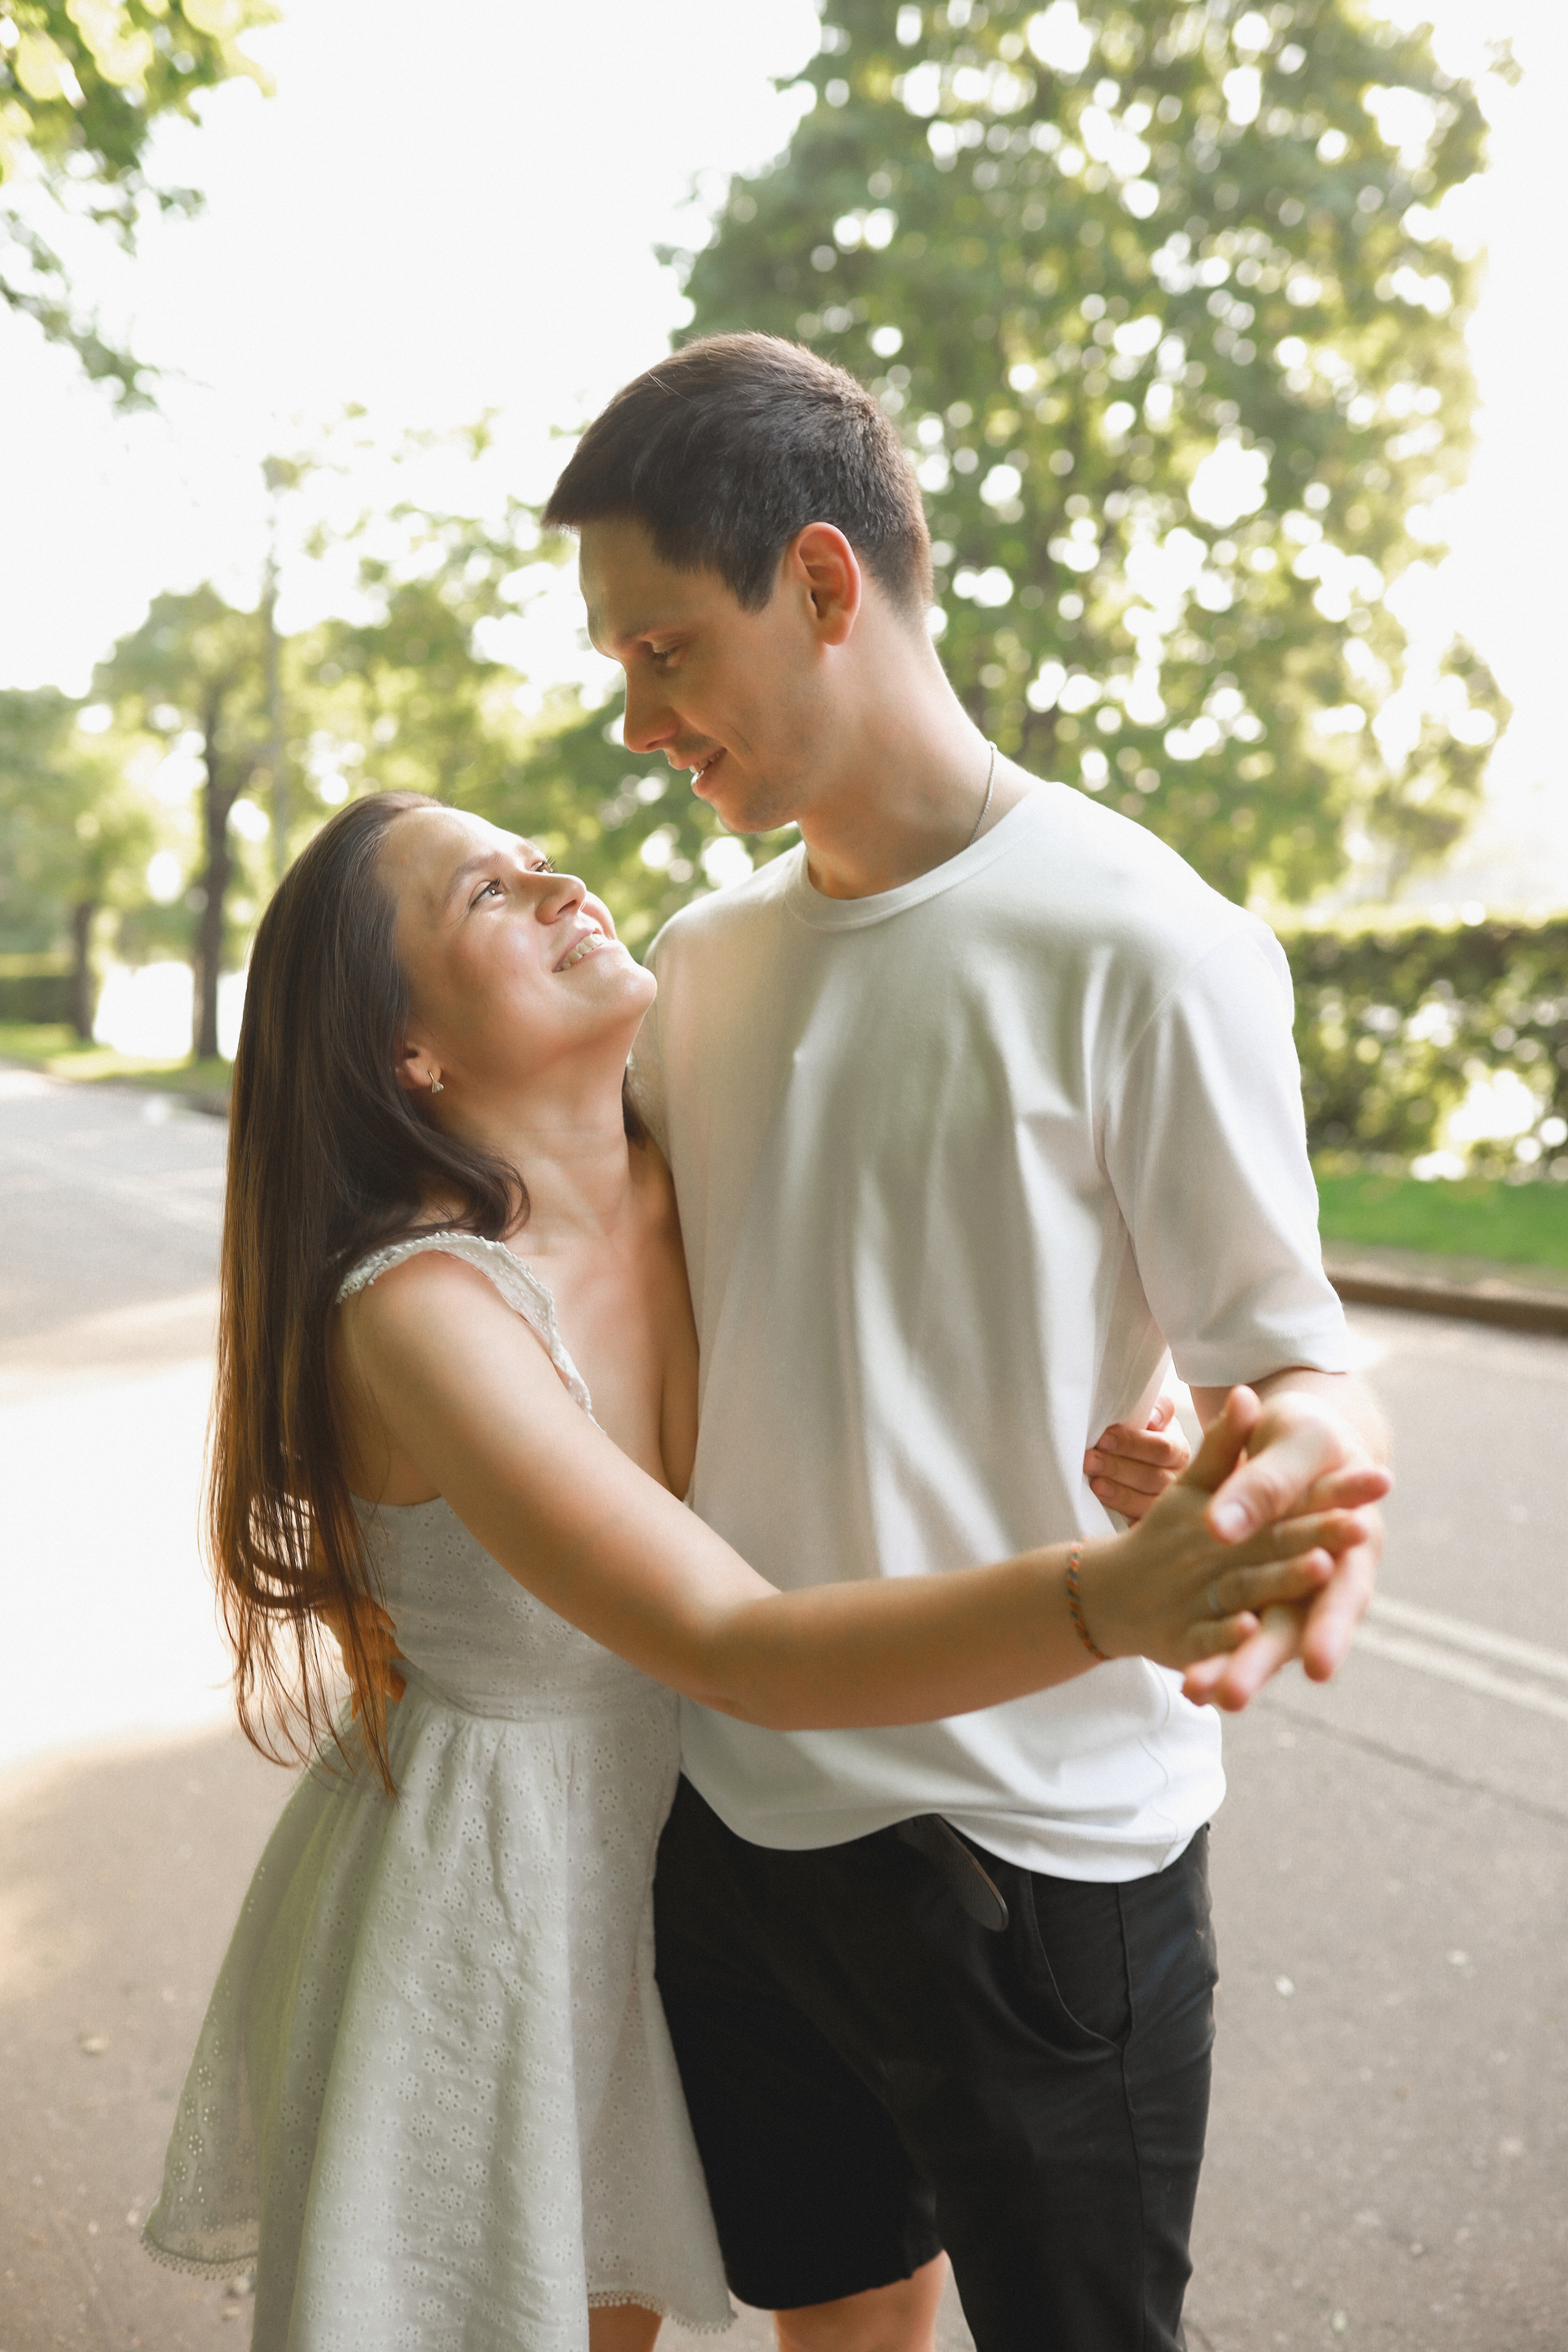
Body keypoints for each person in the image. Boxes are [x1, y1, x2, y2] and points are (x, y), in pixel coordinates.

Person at [138, 790, 1378, 2351]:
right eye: (487, 895)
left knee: (853, 2290)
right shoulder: (422, 1312)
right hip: (502, 1893)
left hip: (709, 1853)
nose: (557, 880)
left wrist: (1120, 1409)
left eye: (538, 856)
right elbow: (731, 1634)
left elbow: (933, 1297)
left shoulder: (697, 1167)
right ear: (409, 1055)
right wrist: (1100, 1602)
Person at [537, 333, 1392, 2352]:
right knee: (836, 2322)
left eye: (664, 652)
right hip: (740, 1828)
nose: (635, 719)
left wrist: (1289, 1476)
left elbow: (1298, 1353)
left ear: (823, 587)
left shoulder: (1148, 940)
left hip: (1044, 1854)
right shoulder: (701, 962)